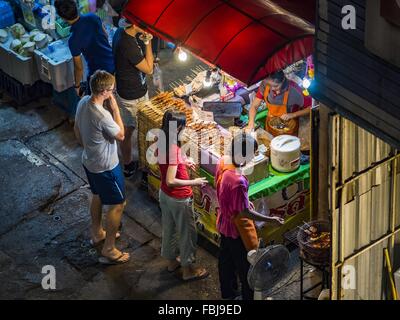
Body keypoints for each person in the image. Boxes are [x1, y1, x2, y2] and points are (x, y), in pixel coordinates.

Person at [215, 133, 284, 300]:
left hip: (223, 222)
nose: (253, 157)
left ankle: (228, 294)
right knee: (246, 268)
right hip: (235, 229)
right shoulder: (238, 181)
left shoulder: (222, 161)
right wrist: (271, 220)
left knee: (225, 261)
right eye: (252, 153)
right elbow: (244, 212)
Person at [74, 70, 129, 265]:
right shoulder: (102, 114)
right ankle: (109, 248)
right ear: (105, 91)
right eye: (112, 91)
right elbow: (121, 135)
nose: (113, 93)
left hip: (89, 161)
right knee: (118, 204)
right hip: (106, 167)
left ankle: (97, 233)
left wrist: (89, 148)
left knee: (97, 195)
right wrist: (115, 110)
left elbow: (76, 130)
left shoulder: (83, 102)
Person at [157, 110, 209, 281]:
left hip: (164, 195)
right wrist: (195, 183)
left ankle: (172, 262)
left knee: (169, 229)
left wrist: (184, 162)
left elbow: (167, 167)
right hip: (178, 198)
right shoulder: (174, 150)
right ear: (178, 127)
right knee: (187, 233)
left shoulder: (161, 140)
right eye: (184, 126)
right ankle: (188, 270)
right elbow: (171, 180)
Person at [112, 18, 154, 177]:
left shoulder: (120, 33)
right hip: (132, 95)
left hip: (131, 88)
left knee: (134, 127)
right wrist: (148, 42)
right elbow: (149, 69)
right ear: (135, 24)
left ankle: (132, 163)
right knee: (134, 129)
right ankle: (131, 165)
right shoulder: (128, 44)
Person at [55, 0, 115, 96]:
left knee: (95, 104)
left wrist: (77, 86)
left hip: (98, 75)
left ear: (62, 18)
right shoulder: (93, 17)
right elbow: (106, 35)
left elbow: (79, 68)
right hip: (113, 63)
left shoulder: (73, 40)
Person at [246, 70, 311, 136]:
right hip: (271, 125)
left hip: (288, 129)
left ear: (283, 80)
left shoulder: (294, 90)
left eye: (276, 86)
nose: (273, 89)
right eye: (270, 85)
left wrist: (293, 114)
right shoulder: (264, 84)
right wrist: (251, 123)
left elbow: (310, 108)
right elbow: (254, 106)